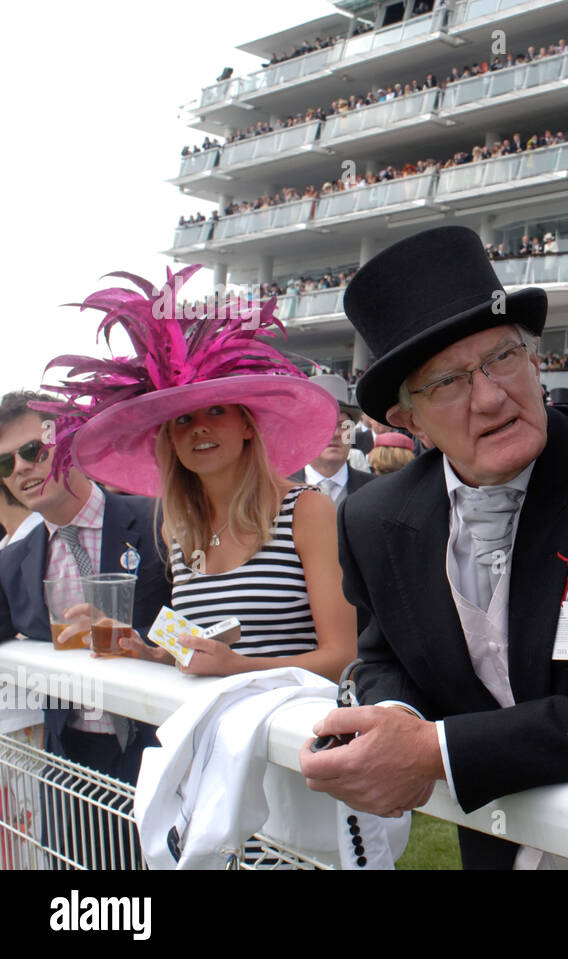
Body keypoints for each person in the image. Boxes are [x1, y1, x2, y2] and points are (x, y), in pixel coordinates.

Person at [298, 226, 568, 870]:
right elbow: (381, 655)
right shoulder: (371, 517)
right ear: (408, 421)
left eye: (503, 357)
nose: (491, 396)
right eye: (447, 381)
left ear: (535, 360)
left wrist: (435, 751)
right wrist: (392, 716)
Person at [38, 268, 355, 682]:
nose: (200, 428)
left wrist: (242, 668)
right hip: (204, 737)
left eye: (217, 411)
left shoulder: (306, 509)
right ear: (170, 441)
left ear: (247, 426)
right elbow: (197, 653)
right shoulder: (177, 525)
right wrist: (145, 650)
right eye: (183, 418)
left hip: (289, 738)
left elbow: (343, 657)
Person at [0, 390, 169, 784]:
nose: (21, 468)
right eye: (5, 462)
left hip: (163, 751)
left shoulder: (160, 520)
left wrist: (135, 641)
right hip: (69, 767)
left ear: (71, 441)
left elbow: (203, 627)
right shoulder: (12, 563)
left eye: (33, 450)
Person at [292, 373, 376, 502]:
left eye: (343, 425)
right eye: (323, 425)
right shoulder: (279, 491)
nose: (335, 433)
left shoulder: (374, 491)